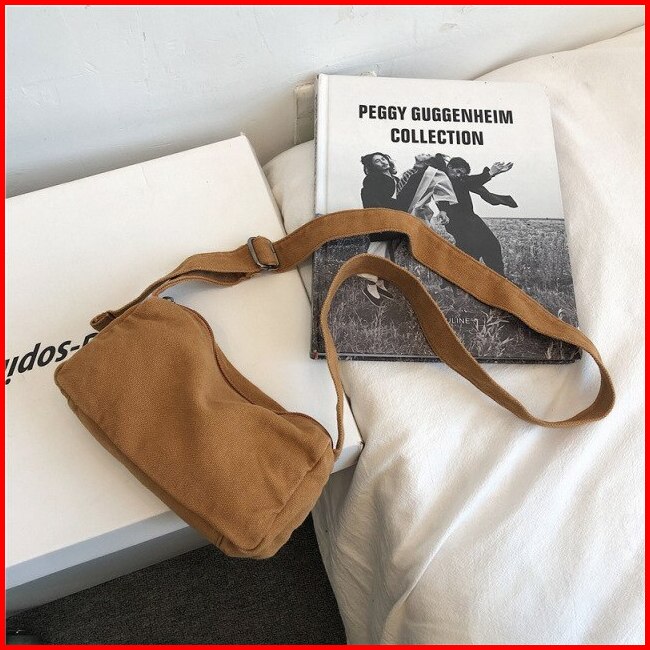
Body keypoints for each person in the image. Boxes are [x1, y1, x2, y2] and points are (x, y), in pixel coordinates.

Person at [443, 157, 517, 276]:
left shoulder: (458, 179)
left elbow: (470, 180)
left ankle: (498, 280)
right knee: (474, 251)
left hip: (469, 220)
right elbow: (469, 181)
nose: (459, 175)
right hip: (459, 222)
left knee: (486, 247)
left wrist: (493, 173)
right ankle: (496, 281)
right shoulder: (444, 179)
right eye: (458, 171)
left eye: (462, 174)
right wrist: (490, 173)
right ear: (449, 167)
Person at [358, 152, 402, 306]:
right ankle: (370, 285)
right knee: (377, 248)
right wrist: (379, 218)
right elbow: (370, 198)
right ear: (372, 166)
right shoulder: (372, 178)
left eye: (383, 158)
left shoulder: (396, 179)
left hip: (394, 217)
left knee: (388, 251)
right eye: (377, 161)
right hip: (381, 218)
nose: (382, 162)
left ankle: (380, 283)